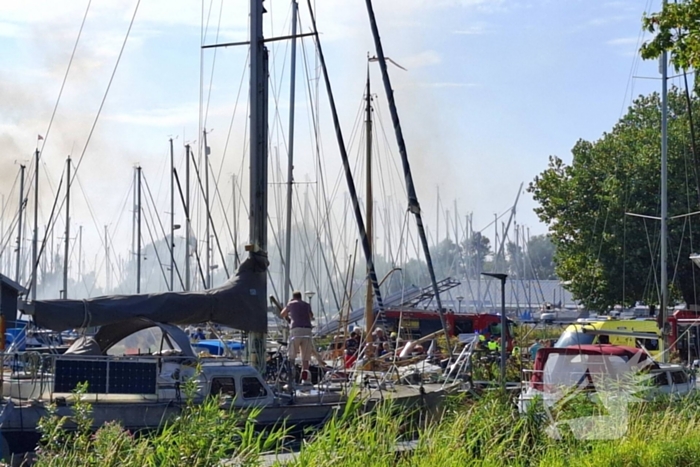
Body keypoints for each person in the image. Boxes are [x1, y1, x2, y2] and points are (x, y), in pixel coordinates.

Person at [280, 291, 315, 384]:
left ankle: (292, 379)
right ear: (300, 296)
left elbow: (282, 314)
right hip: (307, 330)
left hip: (296, 329)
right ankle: (305, 379)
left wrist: (290, 315)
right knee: (305, 358)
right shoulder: (306, 304)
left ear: (293, 297)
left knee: (292, 355)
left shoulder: (291, 303)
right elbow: (311, 315)